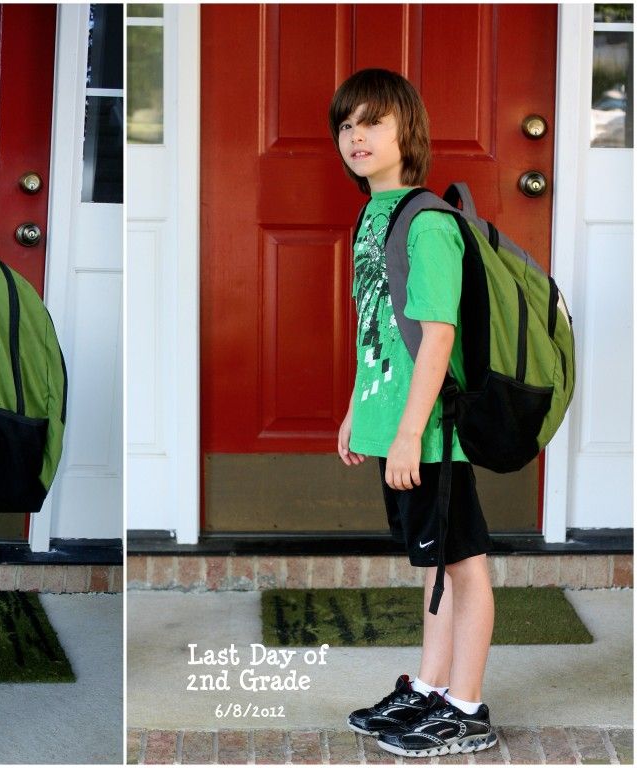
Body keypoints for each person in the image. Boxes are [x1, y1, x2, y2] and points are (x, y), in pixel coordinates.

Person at [328, 69, 498, 758]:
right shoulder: (376, 216)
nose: (357, 135)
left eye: (372, 121)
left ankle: (466, 705)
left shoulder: (427, 223)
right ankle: (430, 688)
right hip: (399, 428)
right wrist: (354, 412)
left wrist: (406, 432)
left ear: (409, 134)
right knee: (435, 565)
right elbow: (377, 333)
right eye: (346, 124)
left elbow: (438, 337)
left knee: (465, 567)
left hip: (431, 434)